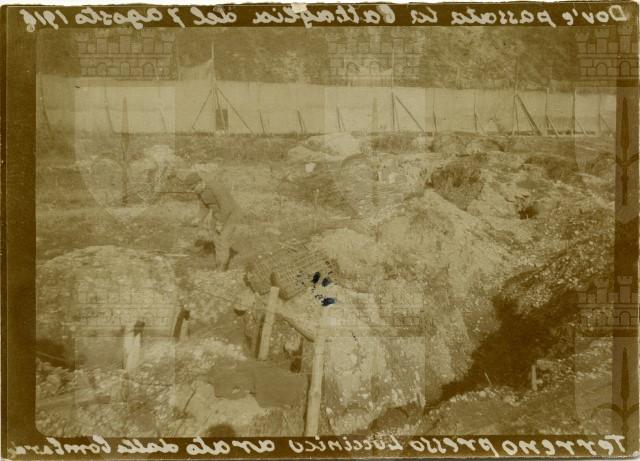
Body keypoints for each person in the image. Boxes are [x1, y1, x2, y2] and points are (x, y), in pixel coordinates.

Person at [180, 170, 241, 270]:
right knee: (216, 239)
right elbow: (204, 207)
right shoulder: (200, 192)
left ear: (200, 182)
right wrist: (198, 218)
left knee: (223, 238)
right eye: (191, 189)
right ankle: (219, 262)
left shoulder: (215, 187)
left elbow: (227, 206)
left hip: (231, 214)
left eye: (193, 188)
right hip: (217, 214)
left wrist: (220, 223)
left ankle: (222, 267)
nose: (193, 191)